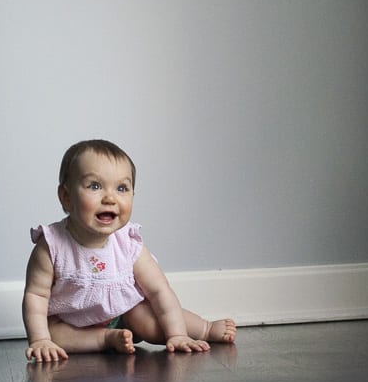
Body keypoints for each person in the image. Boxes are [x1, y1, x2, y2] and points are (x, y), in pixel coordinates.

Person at [23, 139, 237, 363]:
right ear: (66, 197)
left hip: (124, 313)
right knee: (54, 333)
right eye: (94, 186)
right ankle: (104, 339)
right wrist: (39, 339)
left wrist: (177, 334)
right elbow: (36, 295)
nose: (110, 198)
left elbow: (159, 291)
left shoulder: (128, 244)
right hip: (71, 322)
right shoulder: (51, 246)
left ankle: (204, 328)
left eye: (122, 188)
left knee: (152, 325)